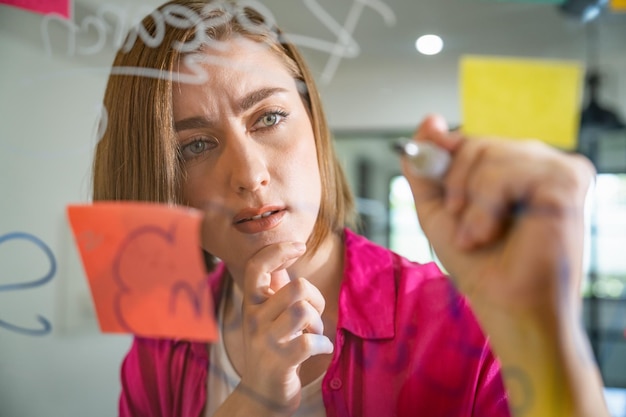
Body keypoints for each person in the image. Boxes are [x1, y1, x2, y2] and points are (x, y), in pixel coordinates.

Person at [92, 1, 610, 416]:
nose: (250, 174)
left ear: (314, 123)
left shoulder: (462, 320)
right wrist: (252, 404)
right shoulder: (164, 344)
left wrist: (542, 324)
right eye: (194, 147)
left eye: (269, 117)